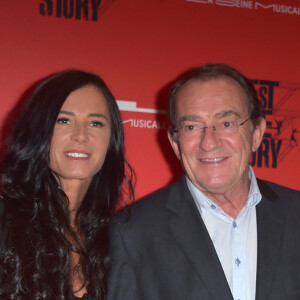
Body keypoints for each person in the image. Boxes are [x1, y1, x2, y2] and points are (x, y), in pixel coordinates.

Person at [108, 63, 300, 300]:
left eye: (227, 123)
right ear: (175, 143)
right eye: (192, 127)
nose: (209, 142)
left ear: (257, 133)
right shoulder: (133, 234)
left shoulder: (296, 215)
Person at [0, 70, 134, 299]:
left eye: (95, 123)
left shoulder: (115, 240)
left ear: (111, 139)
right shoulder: (5, 222)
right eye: (63, 120)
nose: (80, 135)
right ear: (39, 130)